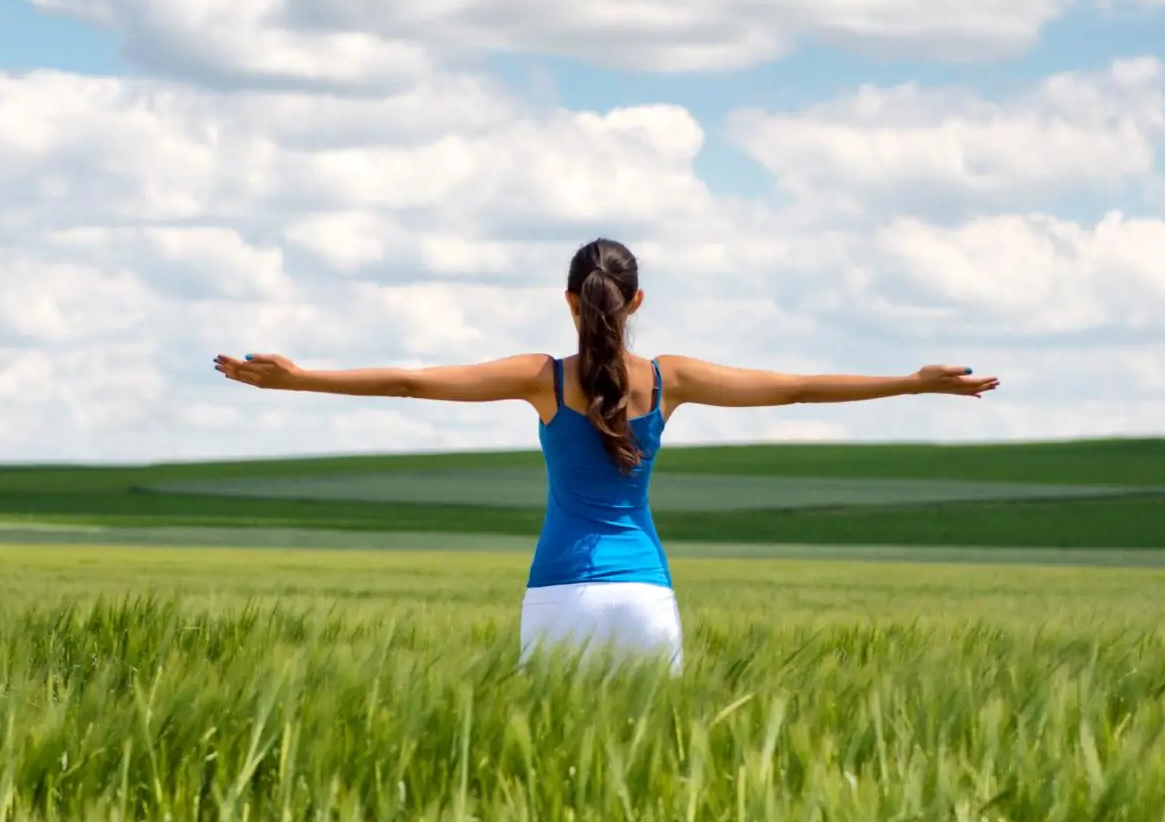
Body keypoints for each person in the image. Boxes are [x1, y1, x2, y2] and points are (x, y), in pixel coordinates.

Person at [214, 237, 999, 673]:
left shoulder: (541, 378)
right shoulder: (669, 379)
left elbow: (416, 382)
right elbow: (793, 389)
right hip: (646, 598)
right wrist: (911, 383)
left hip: (558, 591)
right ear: (637, 304)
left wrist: (300, 379)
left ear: (567, 301)